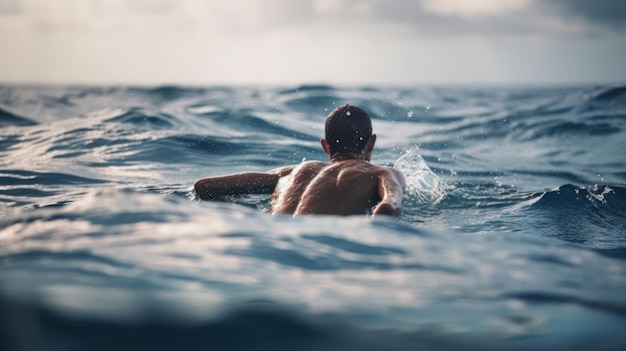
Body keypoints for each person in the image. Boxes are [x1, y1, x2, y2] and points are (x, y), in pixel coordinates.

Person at [194, 104, 406, 217]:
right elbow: (389, 207)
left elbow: (205, 186)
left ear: (326, 146)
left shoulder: (293, 171)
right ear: (372, 143)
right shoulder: (382, 173)